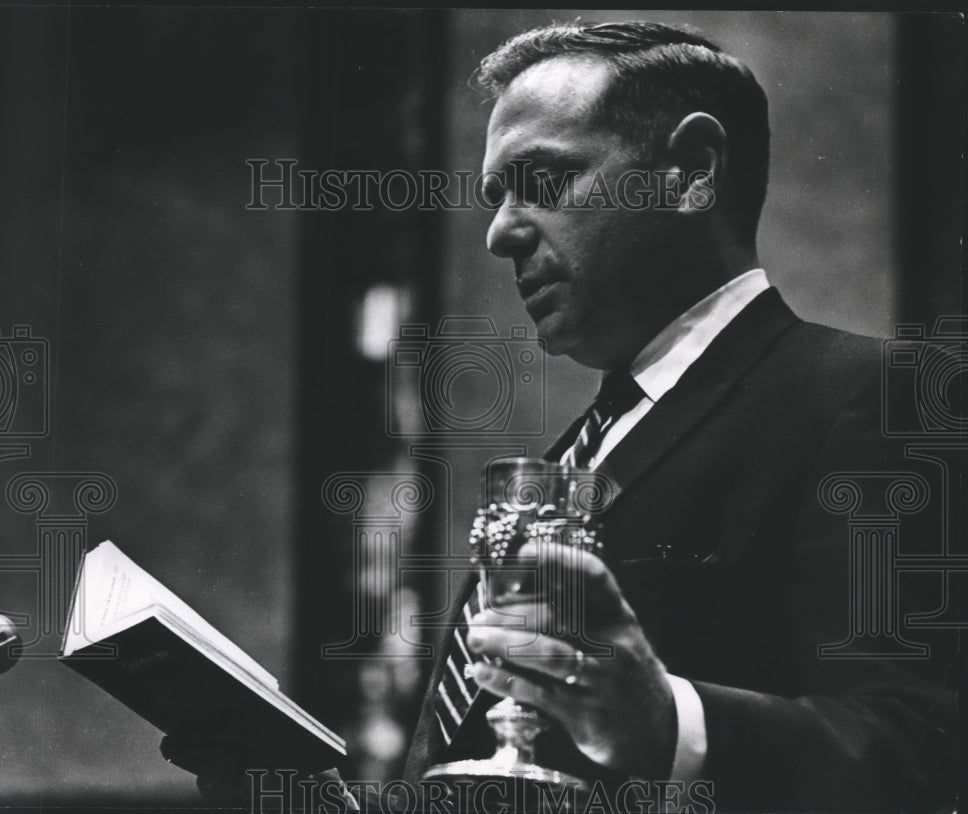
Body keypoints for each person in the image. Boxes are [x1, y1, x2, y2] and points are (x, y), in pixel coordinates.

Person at [166, 21, 957, 812]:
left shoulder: (880, 394)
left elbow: (921, 755)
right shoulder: (576, 454)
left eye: (542, 180)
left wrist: (668, 723)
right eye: (495, 196)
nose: (500, 232)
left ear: (691, 171)